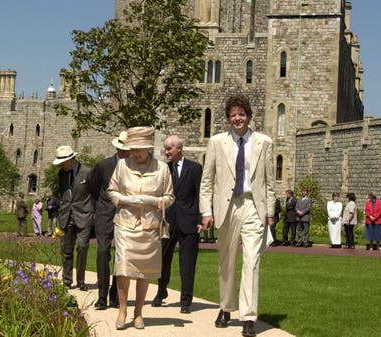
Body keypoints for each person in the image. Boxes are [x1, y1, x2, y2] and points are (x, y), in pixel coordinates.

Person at [199, 94, 275, 337]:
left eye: (241, 114)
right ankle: (226, 307)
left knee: (252, 261)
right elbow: (207, 181)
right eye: (233, 115)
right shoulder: (217, 142)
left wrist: (270, 213)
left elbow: (270, 183)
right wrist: (206, 211)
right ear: (228, 118)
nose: (237, 118)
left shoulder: (264, 142)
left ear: (249, 116)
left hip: (253, 206)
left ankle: (249, 316)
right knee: (227, 261)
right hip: (227, 207)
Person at [107, 126, 174, 330]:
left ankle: (138, 313)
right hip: (126, 224)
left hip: (150, 226)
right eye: (132, 148)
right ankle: (122, 310)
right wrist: (125, 200)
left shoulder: (162, 168)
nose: (135, 152)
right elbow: (111, 190)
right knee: (123, 268)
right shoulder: (122, 165)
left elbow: (170, 197)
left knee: (144, 272)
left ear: (148, 148)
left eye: (139, 148)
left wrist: (153, 200)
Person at [152, 134, 202, 314]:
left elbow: (200, 195)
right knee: (163, 259)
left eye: (169, 149)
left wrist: (200, 220)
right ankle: (161, 291)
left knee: (187, 263)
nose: (166, 152)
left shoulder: (195, 169)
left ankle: (186, 301)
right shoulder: (162, 169)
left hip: (189, 222)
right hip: (167, 222)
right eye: (165, 149)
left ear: (179, 149)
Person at [89, 131, 130, 310]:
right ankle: (102, 296)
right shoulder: (103, 165)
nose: (124, 152)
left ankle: (115, 294)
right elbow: (93, 187)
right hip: (105, 214)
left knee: (121, 256)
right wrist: (98, 208)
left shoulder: (134, 167)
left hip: (126, 215)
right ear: (116, 148)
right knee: (103, 252)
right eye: (121, 149)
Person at [54, 145, 95, 291]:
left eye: (63, 162)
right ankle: (67, 280)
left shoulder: (88, 172)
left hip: (84, 215)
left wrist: (93, 211)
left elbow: (95, 194)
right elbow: (63, 193)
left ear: (72, 160)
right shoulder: (61, 174)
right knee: (66, 249)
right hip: (66, 216)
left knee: (83, 247)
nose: (61, 165)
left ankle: (81, 281)